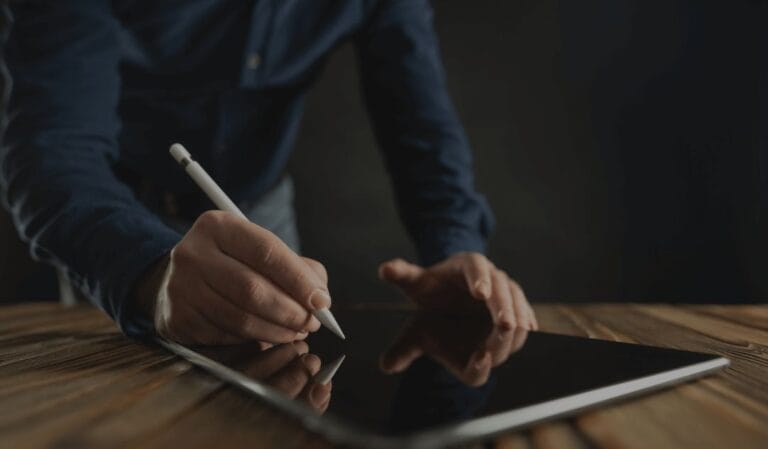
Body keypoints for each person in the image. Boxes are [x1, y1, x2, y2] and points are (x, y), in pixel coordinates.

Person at [0, 0, 537, 346]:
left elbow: (422, 128)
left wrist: (455, 246)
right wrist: (148, 273)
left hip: (259, 205)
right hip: (112, 217)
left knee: (283, 391)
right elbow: (53, 153)